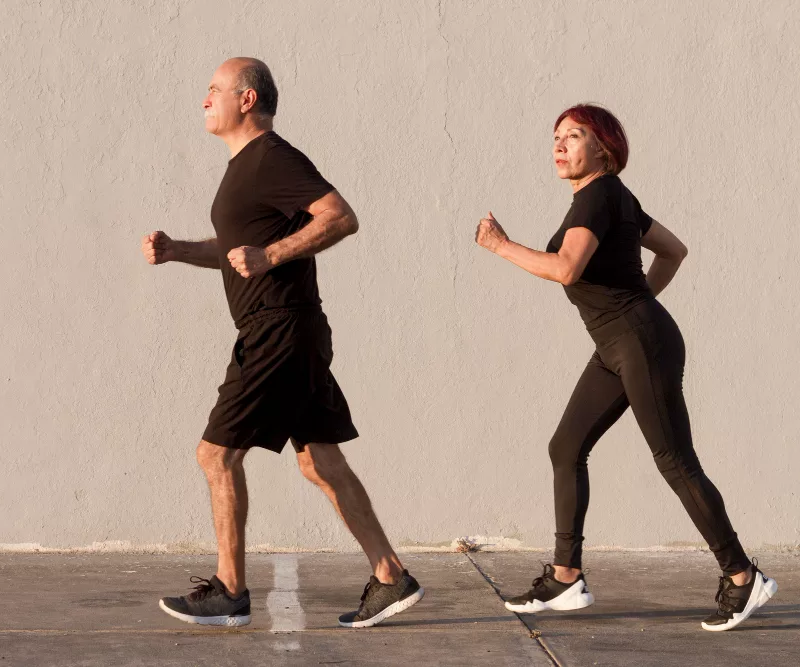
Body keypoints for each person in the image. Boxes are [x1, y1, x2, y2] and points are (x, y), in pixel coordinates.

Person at [142, 57, 423, 628]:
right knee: (319, 461)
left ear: (247, 100)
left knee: (215, 453)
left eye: (215, 90)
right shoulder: (244, 168)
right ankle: (391, 576)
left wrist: (271, 255)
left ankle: (230, 590)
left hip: (279, 328)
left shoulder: (272, 158)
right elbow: (234, 251)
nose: (205, 99)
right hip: (288, 327)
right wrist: (177, 250)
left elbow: (341, 217)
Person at [474, 104, 776, 632]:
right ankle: (566, 577)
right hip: (621, 341)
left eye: (575, 135)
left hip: (636, 342)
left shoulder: (599, 193)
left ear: (604, 149)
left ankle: (743, 576)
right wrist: (639, 308)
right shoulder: (611, 198)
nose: (560, 144)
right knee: (566, 447)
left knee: (675, 461)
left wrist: (501, 246)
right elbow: (674, 251)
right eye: (556, 136)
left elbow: (566, 268)